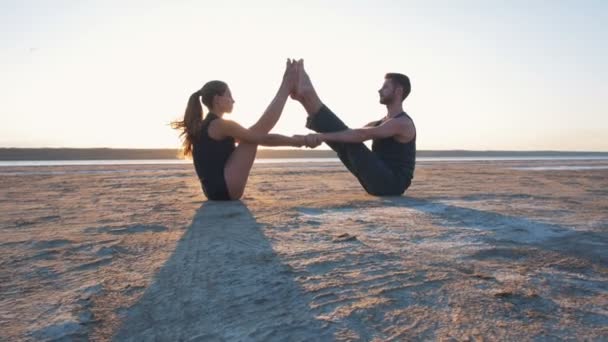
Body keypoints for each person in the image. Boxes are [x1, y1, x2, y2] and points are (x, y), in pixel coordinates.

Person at [172, 59, 318, 201]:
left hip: (213, 192)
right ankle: (285, 87)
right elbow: (262, 138)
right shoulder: (220, 125)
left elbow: (259, 138)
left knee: (252, 135)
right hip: (225, 190)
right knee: (253, 135)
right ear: (217, 99)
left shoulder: (209, 125)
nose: (233, 100)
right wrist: (301, 141)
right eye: (229, 95)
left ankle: (285, 87)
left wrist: (299, 141)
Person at [293, 60, 416, 196]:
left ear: (398, 92)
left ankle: (309, 95)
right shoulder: (381, 122)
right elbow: (349, 133)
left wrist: (322, 137)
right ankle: (305, 99)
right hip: (378, 181)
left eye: (385, 87)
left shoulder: (403, 123)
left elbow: (361, 135)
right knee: (345, 140)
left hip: (392, 184)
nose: (379, 90)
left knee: (350, 140)